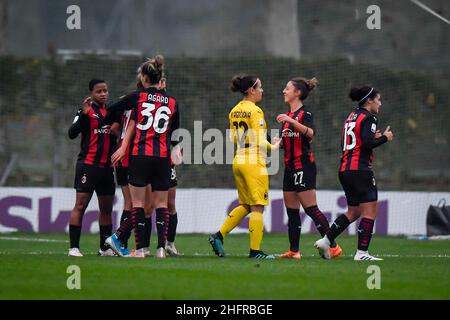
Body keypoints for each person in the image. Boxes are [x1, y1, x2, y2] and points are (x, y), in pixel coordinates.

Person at [104, 55, 181, 259]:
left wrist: (114, 110)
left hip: (140, 155)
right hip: (163, 157)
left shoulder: (137, 97)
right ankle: (161, 249)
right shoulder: (172, 102)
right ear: (160, 78)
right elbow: (175, 133)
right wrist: (175, 148)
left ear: (145, 79)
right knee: (162, 204)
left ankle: (140, 250)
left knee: (137, 204)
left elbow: (110, 109)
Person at [314, 85, 394, 261]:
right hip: (360, 170)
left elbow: (354, 141)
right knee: (370, 210)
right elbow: (366, 144)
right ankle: (362, 253)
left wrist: (373, 138)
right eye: (378, 99)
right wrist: (384, 138)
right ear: (369, 100)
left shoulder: (351, 116)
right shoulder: (370, 117)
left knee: (354, 211)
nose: (380, 103)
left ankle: (326, 240)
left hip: (345, 169)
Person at [209, 75, 280, 259]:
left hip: (239, 159)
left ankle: (218, 236)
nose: (262, 91)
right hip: (253, 160)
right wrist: (275, 147)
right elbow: (259, 138)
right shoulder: (255, 111)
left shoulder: (234, 111)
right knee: (258, 206)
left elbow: (232, 138)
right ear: (251, 90)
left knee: (246, 205)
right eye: (260, 87)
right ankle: (255, 252)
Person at [274, 77, 342, 259]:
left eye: (287, 88)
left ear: (297, 93)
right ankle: (294, 251)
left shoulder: (305, 114)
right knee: (292, 211)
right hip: (289, 168)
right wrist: (278, 143)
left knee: (311, 208)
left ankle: (333, 246)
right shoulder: (287, 119)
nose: (284, 91)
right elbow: (288, 141)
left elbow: (310, 133)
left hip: (304, 165)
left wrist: (291, 120)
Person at [67, 79, 116, 257]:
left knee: (106, 210)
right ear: (91, 93)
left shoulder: (112, 112)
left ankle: (104, 249)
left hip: (106, 169)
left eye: (105, 91)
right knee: (80, 205)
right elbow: (71, 133)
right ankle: (73, 248)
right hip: (88, 166)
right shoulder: (85, 111)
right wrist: (83, 117)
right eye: (99, 91)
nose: (103, 94)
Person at [111, 71, 153, 257]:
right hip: (132, 156)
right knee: (142, 204)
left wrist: (121, 140)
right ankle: (119, 240)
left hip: (122, 155)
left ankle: (124, 245)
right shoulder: (144, 102)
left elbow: (113, 127)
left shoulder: (127, 100)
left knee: (132, 203)